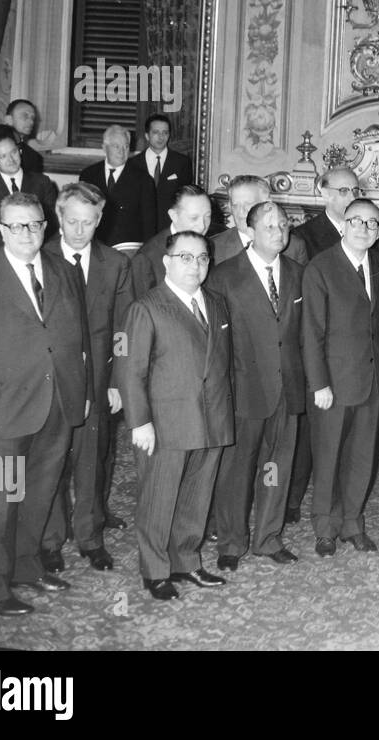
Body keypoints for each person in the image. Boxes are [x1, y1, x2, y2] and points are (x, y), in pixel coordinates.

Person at [0, 191, 91, 616]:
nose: (27, 232)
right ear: (2, 230)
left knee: (40, 493)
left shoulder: (64, 272)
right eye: (17, 225)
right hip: (0, 409)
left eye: (35, 224)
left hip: (58, 401)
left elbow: (79, 340)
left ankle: (26, 568)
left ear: (46, 225)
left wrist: (83, 393)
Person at [116, 231, 233, 601]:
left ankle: (186, 560)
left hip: (211, 418)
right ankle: (154, 570)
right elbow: (130, 370)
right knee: (159, 498)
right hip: (165, 423)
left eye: (201, 258)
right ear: (166, 262)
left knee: (197, 496)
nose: (195, 265)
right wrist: (140, 422)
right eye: (185, 257)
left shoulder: (215, 303)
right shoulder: (147, 307)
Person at [40, 182, 135, 573]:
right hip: (51, 383)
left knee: (91, 461)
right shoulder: (38, 258)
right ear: (59, 218)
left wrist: (118, 380)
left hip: (98, 379)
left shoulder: (115, 264)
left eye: (89, 223)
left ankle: (90, 537)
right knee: (51, 464)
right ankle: (49, 540)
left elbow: (122, 331)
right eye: (72, 221)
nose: (79, 231)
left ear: (100, 221)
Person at [206, 202, 305, 571]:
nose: (279, 232)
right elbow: (216, 342)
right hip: (243, 393)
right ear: (249, 231)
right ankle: (231, 543)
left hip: (286, 391)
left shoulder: (297, 273)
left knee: (274, 468)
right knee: (237, 471)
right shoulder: (224, 276)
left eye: (283, 225)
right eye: (269, 226)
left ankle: (268, 537)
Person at [301, 198, 379, 555]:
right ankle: (325, 527)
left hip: (371, 380)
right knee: (329, 457)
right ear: (343, 225)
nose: (364, 229)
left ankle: (352, 522)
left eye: (373, 224)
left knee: (361, 456)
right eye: (357, 221)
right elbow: (311, 332)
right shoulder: (320, 267)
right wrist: (319, 383)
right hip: (333, 384)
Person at [285, 167, 361, 525]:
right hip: (312, 348)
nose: (349, 196)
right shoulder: (303, 237)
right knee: (307, 438)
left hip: (350, 358)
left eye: (355, 190)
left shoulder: (363, 233)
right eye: (342, 190)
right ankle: (294, 499)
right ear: (323, 192)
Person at [0, 126, 58, 256]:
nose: (11, 160)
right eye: (2, 156)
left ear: (20, 150)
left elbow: (52, 225)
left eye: (14, 152)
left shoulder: (42, 183)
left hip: (36, 254)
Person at [79, 125, 158, 246]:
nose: (122, 152)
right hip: (94, 248)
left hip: (128, 250)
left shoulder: (143, 180)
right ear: (104, 148)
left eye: (126, 147)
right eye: (116, 146)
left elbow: (149, 226)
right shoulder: (88, 175)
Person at [130, 185, 214, 294]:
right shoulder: (147, 258)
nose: (202, 226)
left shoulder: (212, 246)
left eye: (207, 216)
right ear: (173, 215)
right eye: (194, 218)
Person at [211, 174, 308, 265]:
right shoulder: (214, 247)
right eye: (235, 205)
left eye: (248, 204)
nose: (241, 212)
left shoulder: (293, 247)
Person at [128, 113, 194, 221]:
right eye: (156, 132)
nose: (161, 137)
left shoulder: (182, 163)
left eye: (165, 133)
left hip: (170, 225)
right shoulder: (133, 163)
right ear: (147, 135)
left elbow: (184, 199)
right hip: (139, 226)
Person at [0, 100, 43, 179]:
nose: (31, 122)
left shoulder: (33, 157)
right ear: (8, 119)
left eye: (33, 118)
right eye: (25, 116)